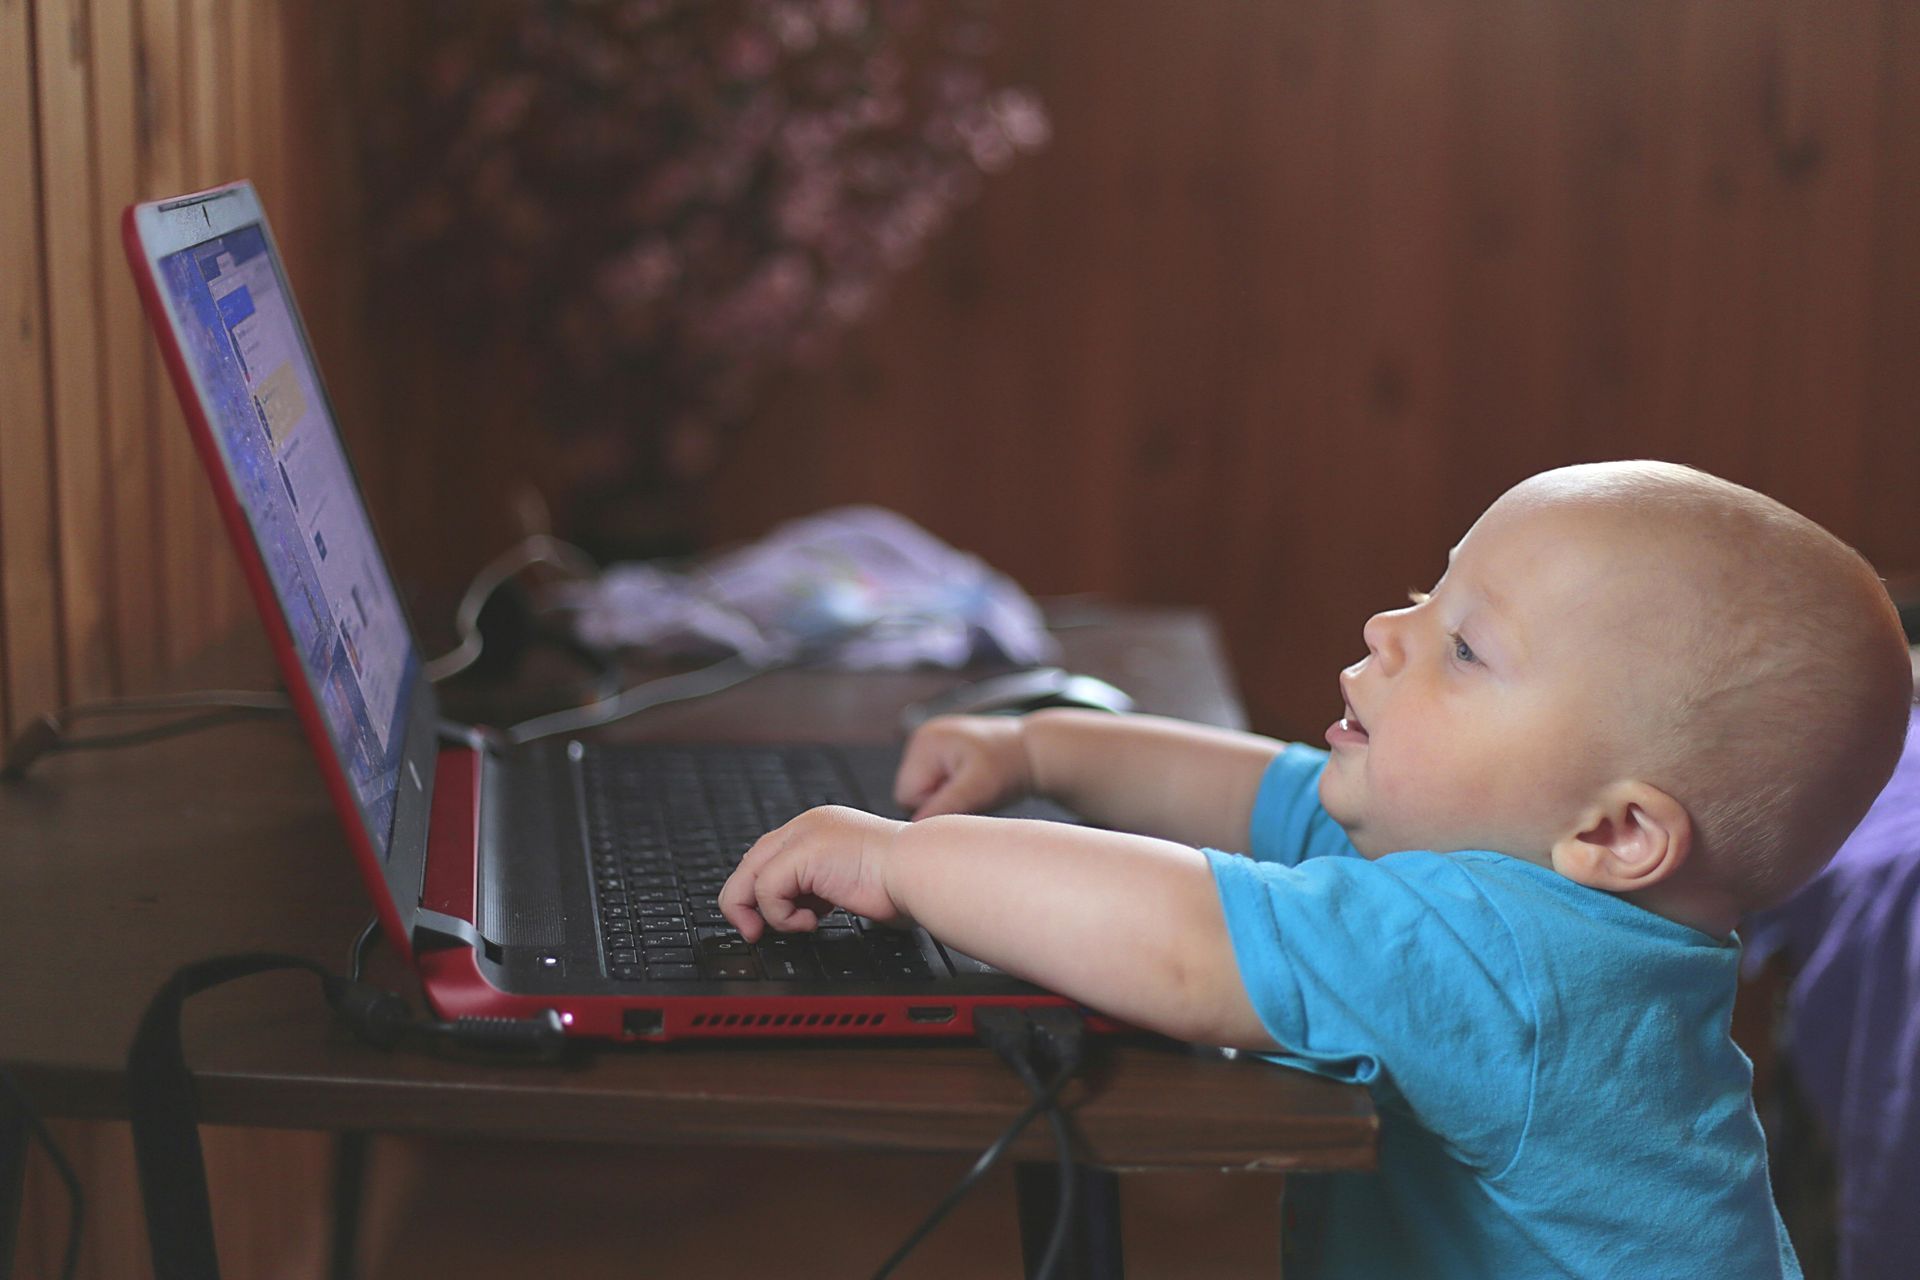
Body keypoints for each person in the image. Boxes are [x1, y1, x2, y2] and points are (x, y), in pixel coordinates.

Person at [718, 460, 1915, 1278]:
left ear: (1615, 833)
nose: (1390, 632)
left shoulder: (1513, 956)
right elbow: (1260, 790)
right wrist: (1039, 747)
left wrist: (904, 859)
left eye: (1463, 645)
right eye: (1425, 591)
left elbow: (1183, 941)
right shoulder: (1513, 867)